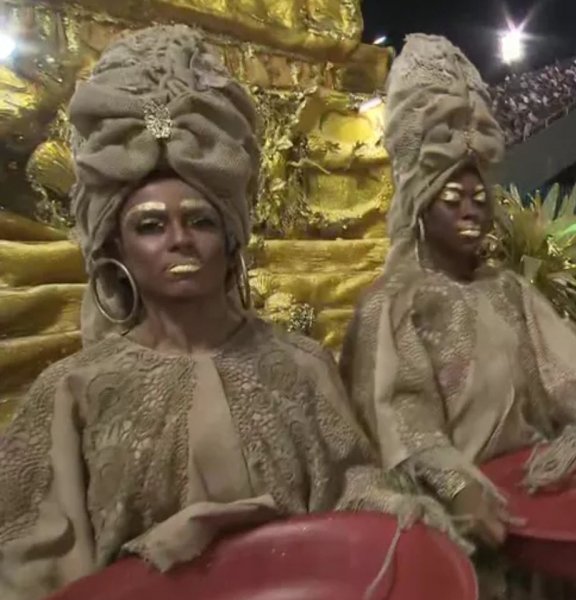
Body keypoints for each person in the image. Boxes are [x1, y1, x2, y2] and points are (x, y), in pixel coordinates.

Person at [0, 26, 450, 600]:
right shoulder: (72, 395)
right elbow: (29, 564)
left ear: (232, 236)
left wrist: (404, 511)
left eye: (201, 219)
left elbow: (352, 485)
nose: (179, 239)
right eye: (150, 225)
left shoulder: (302, 365)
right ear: (117, 249)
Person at [338, 35, 576, 598]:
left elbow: (573, 374)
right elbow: (398, 423)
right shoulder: (392, 306)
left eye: (478, 194)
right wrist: (460, 488)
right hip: (457, 541)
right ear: (417, 202)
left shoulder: (508, 291)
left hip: (538, 518)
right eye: (449, 194)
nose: (469, 206)